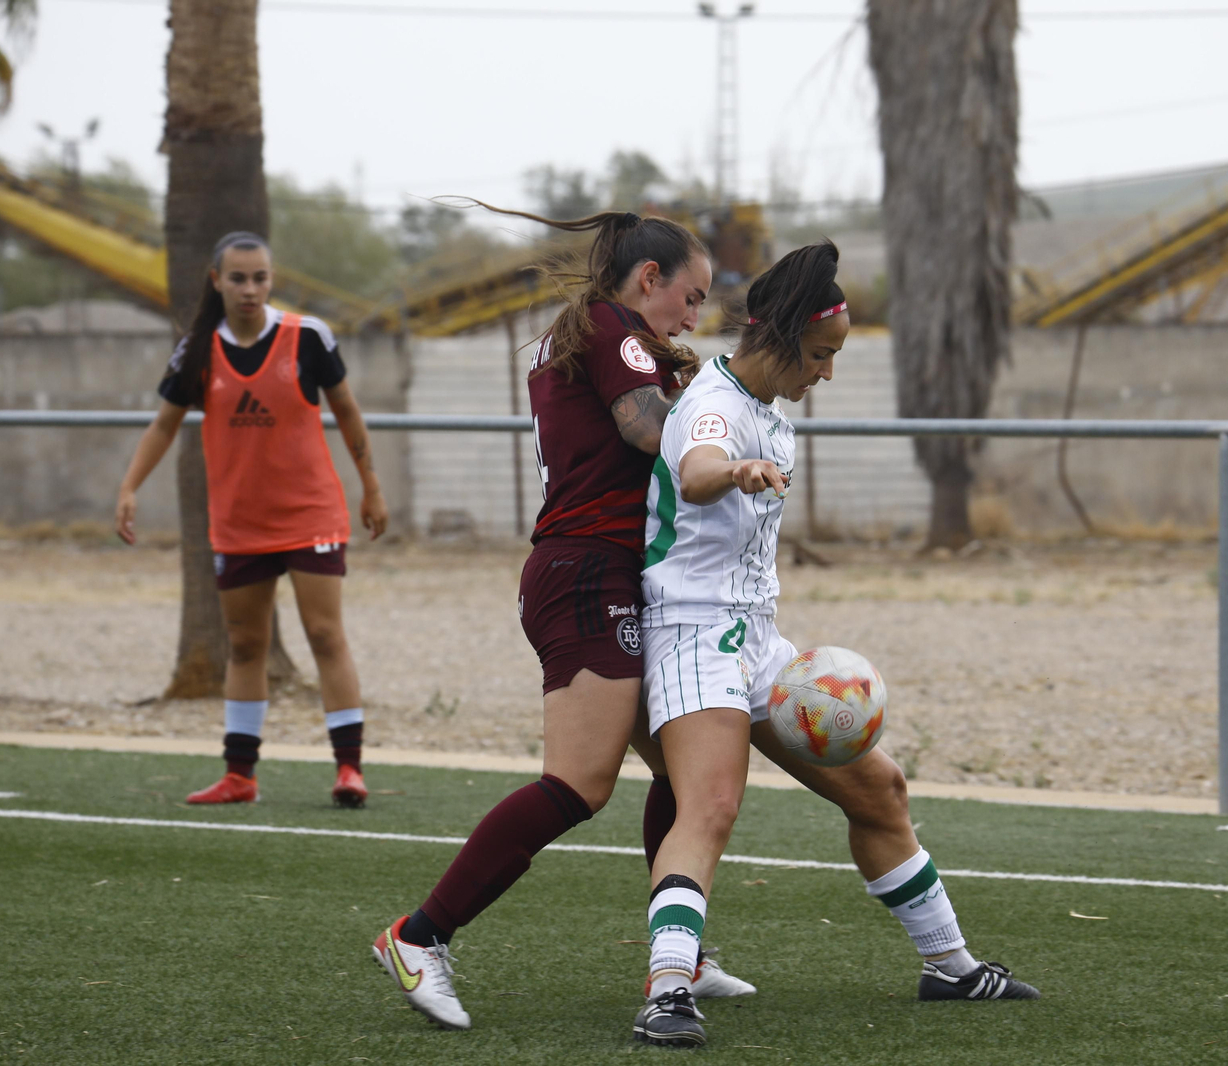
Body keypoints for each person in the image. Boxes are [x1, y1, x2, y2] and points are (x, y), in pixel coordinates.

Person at [631, 241, 1039, 1048]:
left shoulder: (773, 418)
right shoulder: (712, 407)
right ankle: (668, 990)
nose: (826, 372)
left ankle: (950, 966)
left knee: (880, 789)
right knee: (710, 806)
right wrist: (735, 472)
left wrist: (754, 467)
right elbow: (702, 469)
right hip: (690, 636)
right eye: (820, 354)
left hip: (756, 640)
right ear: (780, 337)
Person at [370, 207, 755, 1031]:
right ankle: (418, 936)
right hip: (587, 572)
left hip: (593, 569)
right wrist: (721, 434)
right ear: (647, 279)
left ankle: (681, 952)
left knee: (680, 771)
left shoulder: (586, 332)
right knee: (579, 782)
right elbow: (645, 429)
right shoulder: (614, 329)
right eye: (690, 298)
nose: (693, 318)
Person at [115, 231, 387, 808]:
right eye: (237, 278)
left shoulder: (308, 336)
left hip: (311, 515)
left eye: (260, 278)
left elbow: (346, 411)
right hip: (239, 524)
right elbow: (164, 424)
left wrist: (371, 487)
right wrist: (129, 487)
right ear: (216, 281)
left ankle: (349, 769)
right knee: (244, 645)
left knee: (325, 635)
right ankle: (239, 775)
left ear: (271, 280)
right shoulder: (196, 350)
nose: (250, 288)